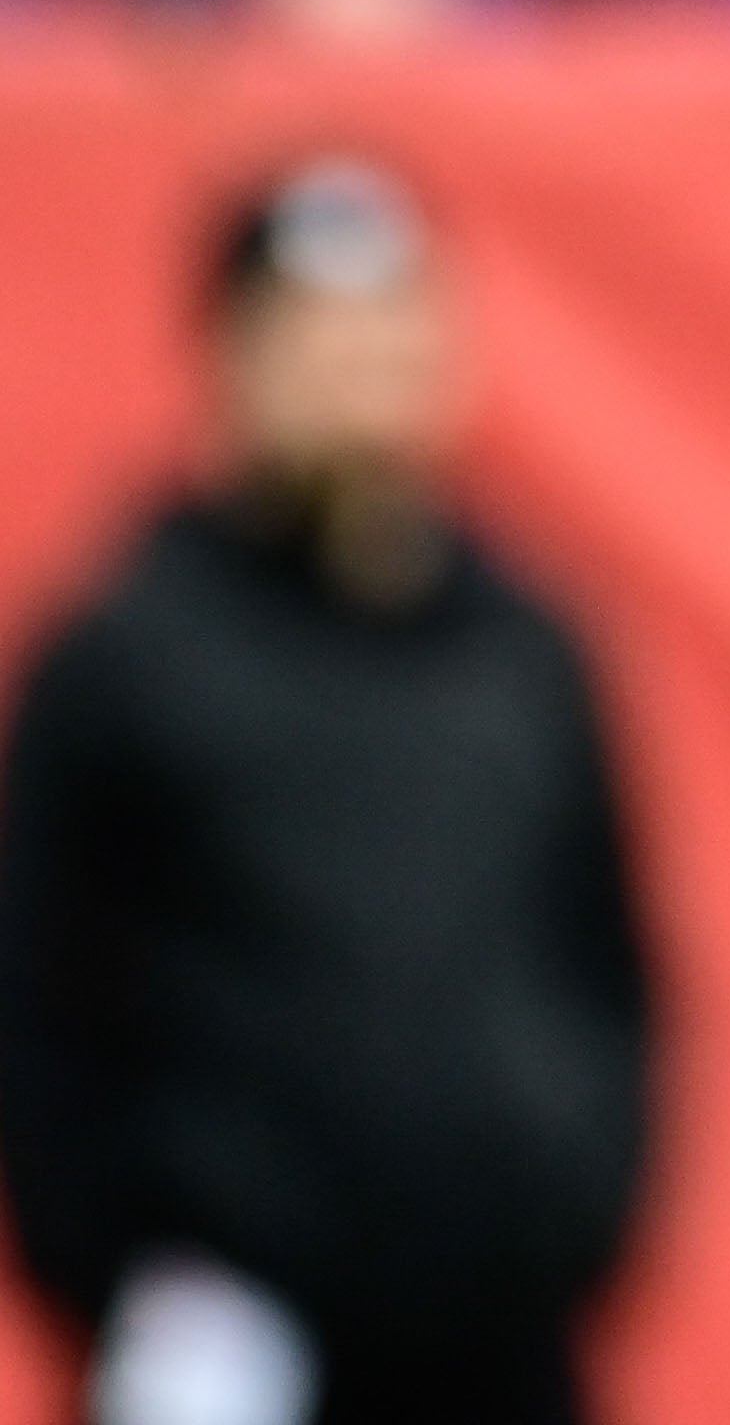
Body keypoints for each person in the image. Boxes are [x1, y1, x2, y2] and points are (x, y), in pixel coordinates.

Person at [0, 157, 657, 1425]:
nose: (361, 365)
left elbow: (609, 966)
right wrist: (136, 1276)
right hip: (234, 1351)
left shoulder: (524, 648)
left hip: (492, 1345)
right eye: (316, 329)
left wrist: (571, 1212)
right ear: (233, 358)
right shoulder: (130, 652)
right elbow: (39, 1006)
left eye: (391, 322)